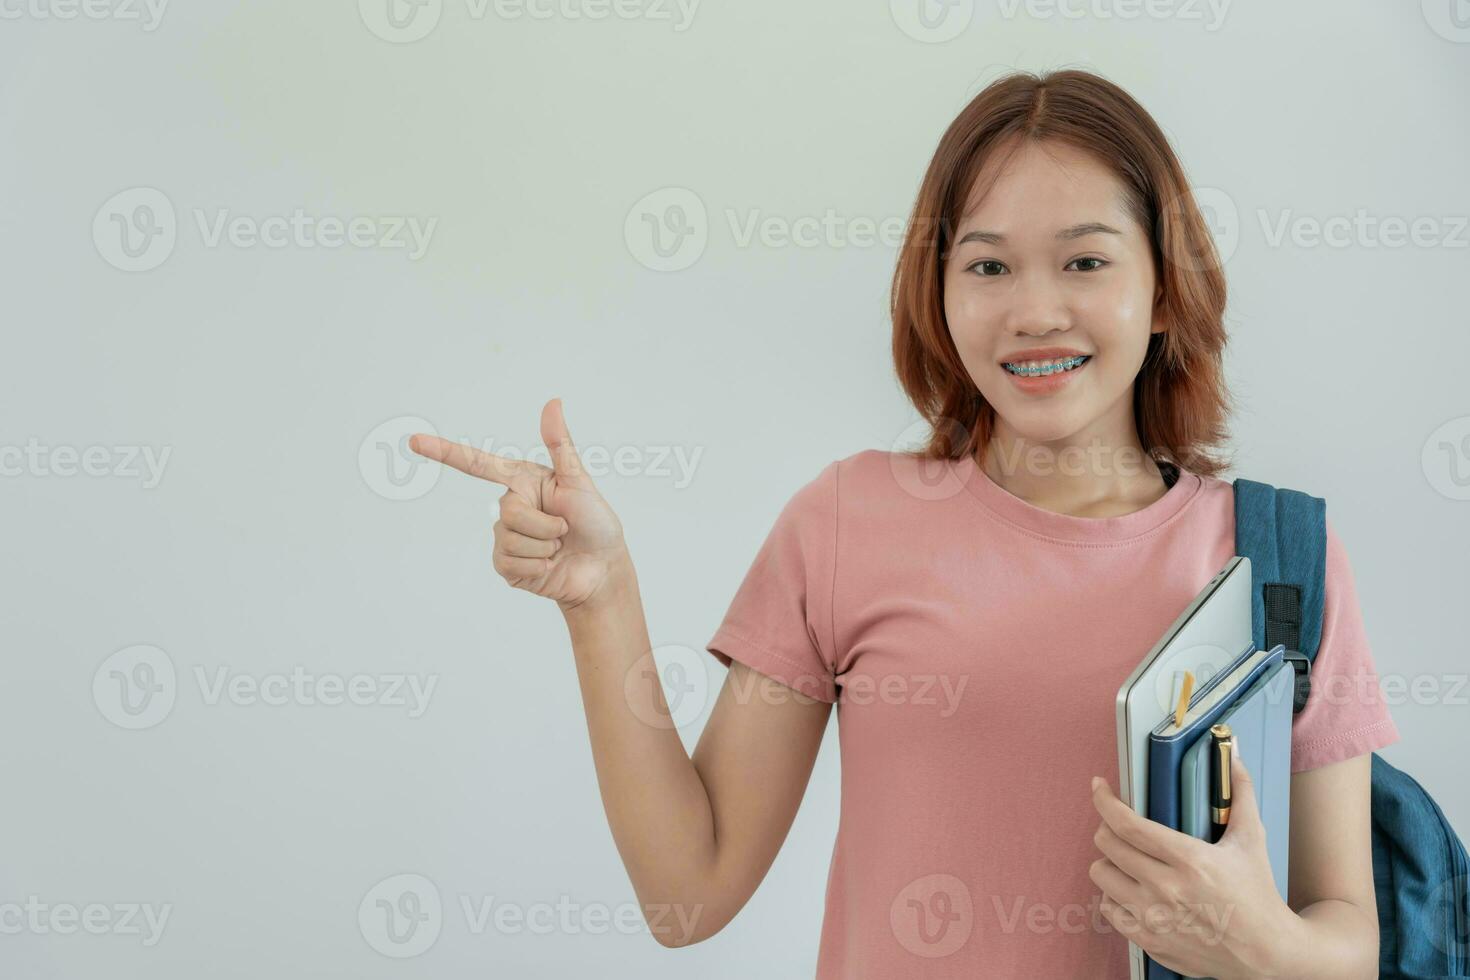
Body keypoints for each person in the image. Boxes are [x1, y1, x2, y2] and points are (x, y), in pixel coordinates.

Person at [409, 68, 1399, 979]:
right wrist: (601, 597)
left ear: (1162, 290)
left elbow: (1347, 931)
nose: (1035, 310)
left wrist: (1258, 940)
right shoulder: (847, 520)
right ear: (939, 291)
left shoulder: (1278, 561)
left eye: (1086, 260)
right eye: (989, 267)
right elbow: (691, 891)